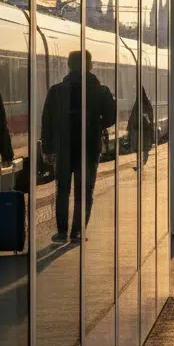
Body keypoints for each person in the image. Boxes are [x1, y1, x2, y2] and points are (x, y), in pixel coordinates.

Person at [42, 50, 115, 243]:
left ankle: (61, 232)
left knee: (62, 190)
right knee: (84, 191)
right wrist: (96, 122)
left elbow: (46, 122)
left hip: (63, 148)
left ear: (68, 65)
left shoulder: (56, 91)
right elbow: (110, 119)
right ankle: (77, 232)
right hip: (89, 149)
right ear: (90, 66)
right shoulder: (101, 91)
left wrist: (48, 149)